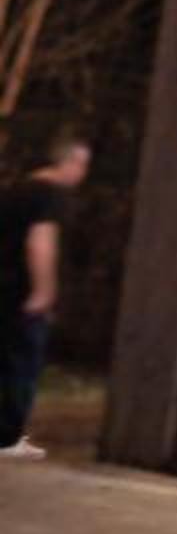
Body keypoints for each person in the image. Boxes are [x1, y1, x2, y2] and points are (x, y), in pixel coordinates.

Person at [1, 127, 89, 459]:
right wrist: (44, 292)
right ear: (68, 162)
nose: (82, 174)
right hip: (23, 295)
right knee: (21, 367)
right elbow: (41, 244)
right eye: (81, 165)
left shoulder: (14, 191)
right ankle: (7, 437)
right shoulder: (50, 196)